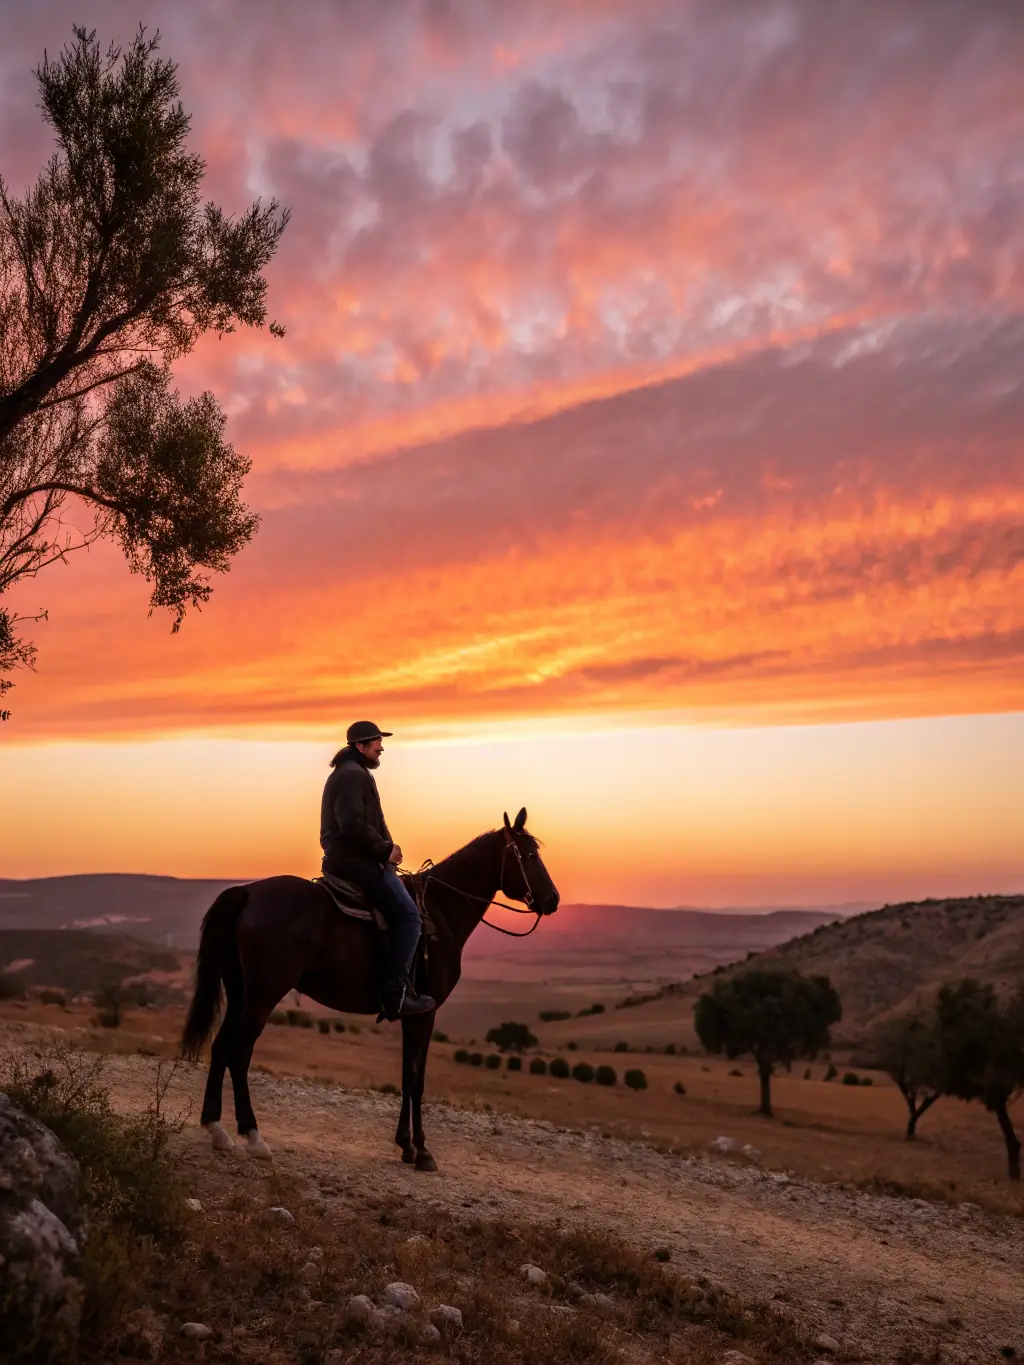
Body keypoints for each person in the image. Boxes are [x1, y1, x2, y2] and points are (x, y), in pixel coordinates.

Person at [320, 721, 436, 1021]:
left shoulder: (352, 773)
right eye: (376, 743)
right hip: (357, 863)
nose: (381, 747)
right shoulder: (351, 776)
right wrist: (386, 850)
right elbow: (352, 825)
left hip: (356, 859)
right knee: (410, 917)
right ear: (360, 747)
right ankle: (394, 994)